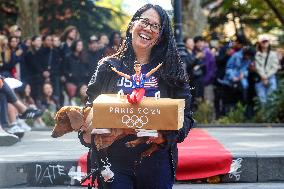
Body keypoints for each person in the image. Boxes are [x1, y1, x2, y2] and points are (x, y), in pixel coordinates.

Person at [85, 4, 194, 189]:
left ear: (160, 36)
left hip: (156, 161)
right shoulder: (108, 67)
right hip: (113, 160)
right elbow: (89, 109)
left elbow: (187, 117)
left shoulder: (172, 71)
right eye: (144, 22)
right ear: (131, 26)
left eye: (155, 26)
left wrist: (163, 137)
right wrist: (93, 134)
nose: (148, 28)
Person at [254, 37, 279, 104]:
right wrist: (263, 76)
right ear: (260, 43)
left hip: (270, 78)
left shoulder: (273, 54)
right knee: (262, 101)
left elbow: (275, 67)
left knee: (272, 100)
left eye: (266, 41)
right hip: (260, 79)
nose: (265, 43)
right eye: (263, 41)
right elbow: (257, 67)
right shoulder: (257, 54)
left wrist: (266, 76)